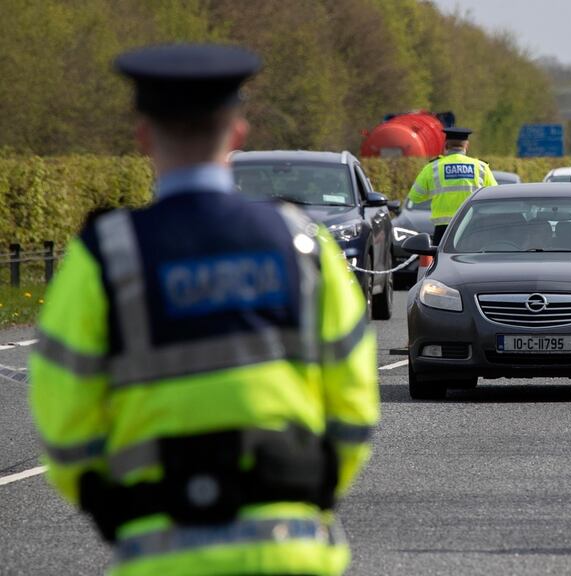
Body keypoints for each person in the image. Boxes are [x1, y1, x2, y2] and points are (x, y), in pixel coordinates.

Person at [29, 44, 379, 576]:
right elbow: (353, 400)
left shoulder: (104, 257)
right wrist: (314, 490)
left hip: (161, 551)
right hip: (291, 550)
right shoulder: (302, 244)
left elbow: (63, 412)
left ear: (143, 136)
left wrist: (114, 508)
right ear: (237, 134)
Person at [408, 127, 498, 244]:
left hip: (444, 229)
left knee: (442, 261)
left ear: (445, 145)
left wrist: (435, 193)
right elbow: (494, 195)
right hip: (473, 226)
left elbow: (415, 197)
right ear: (466, 146)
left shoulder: (433, 167)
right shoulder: (481, 167)